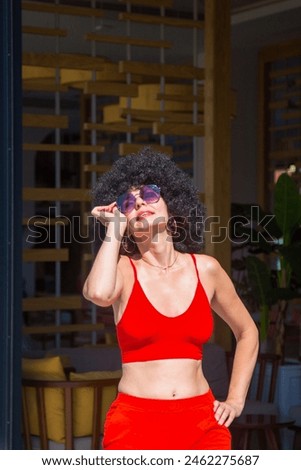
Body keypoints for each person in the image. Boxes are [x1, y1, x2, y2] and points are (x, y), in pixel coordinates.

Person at [83, 146, 259, 450]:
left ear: (172, 204)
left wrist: (235, 399)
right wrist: (113, 231)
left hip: (202, 422)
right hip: (136, 424)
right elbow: (98, 293)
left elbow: (247, 332)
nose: (139, 202)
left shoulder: (207, 269)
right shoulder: (123, 271)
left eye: (149, 194)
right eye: (128, 202)